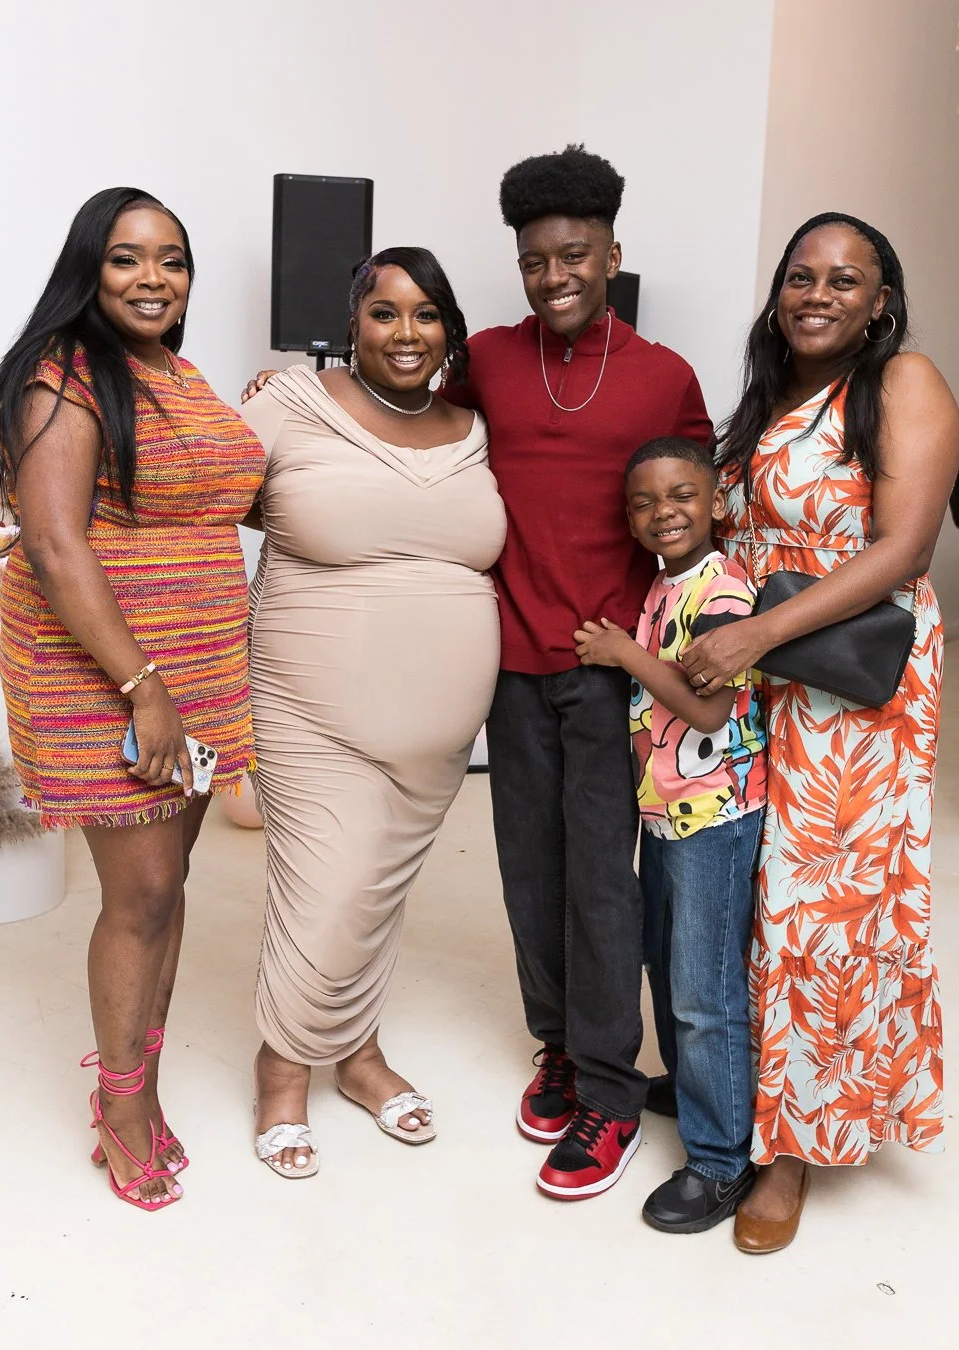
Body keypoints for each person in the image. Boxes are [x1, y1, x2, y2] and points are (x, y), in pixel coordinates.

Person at [0, 188, 265, 1211]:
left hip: (198, 670)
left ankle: (137, 1079)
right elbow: (57, 544)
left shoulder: (178, 376)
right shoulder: (61, 375)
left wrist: (275, 405)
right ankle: (123, 1105)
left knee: (167, 887)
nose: (154, 278)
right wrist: (144, 690)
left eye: (172, 260)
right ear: (87, 270)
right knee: (140, 898)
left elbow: (230, 492)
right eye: (127, 258)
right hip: (110, 674)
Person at [681, 212, 959, 1253]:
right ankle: (738, 1083)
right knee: (749, 893)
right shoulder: (772, 397)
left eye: (846, 280)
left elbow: (903, 549)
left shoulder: (905, 382)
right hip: (761, 680)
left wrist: (756, 633)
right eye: (801, 276)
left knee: (820, 914)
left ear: (881, 302)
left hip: (852, 688)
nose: (818, 295)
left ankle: (795, 1147)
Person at [441, 144, 713, 1199]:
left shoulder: (662, 376)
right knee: (529, 872)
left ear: (611, 254)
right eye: (534, 261)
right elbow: (408, 418)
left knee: (601, 882)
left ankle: (609, 1090)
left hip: (610, 669)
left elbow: (698, 515)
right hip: (509, 661)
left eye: (573, 256)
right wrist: (302, 390)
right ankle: (557, 1042)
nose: (553, 277)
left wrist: (688, 647)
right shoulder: (488, 360)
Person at [239, 248, 505, 1177]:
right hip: (308, 710)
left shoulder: (476, 428)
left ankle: (358, 1057)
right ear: (351, 323)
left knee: (373, 897)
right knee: (327, 890)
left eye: (426, 314)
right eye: (385, 312)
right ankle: (282, 1073)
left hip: (437, 737)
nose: (406, 332)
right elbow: (201, 496)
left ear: (449, 331)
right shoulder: (289, 403)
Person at [573, 437, 766, 1230]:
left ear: (717, 502)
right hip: (666, 815)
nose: (664, 513)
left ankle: (721, 1161)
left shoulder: (723, 588)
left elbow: (709, 710)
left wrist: (622, 652)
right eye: (645, 503)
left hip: (715, 817)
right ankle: (697, 1091)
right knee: (666, 963)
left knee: (703, 990)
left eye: (682, 495)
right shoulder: (662, 585)